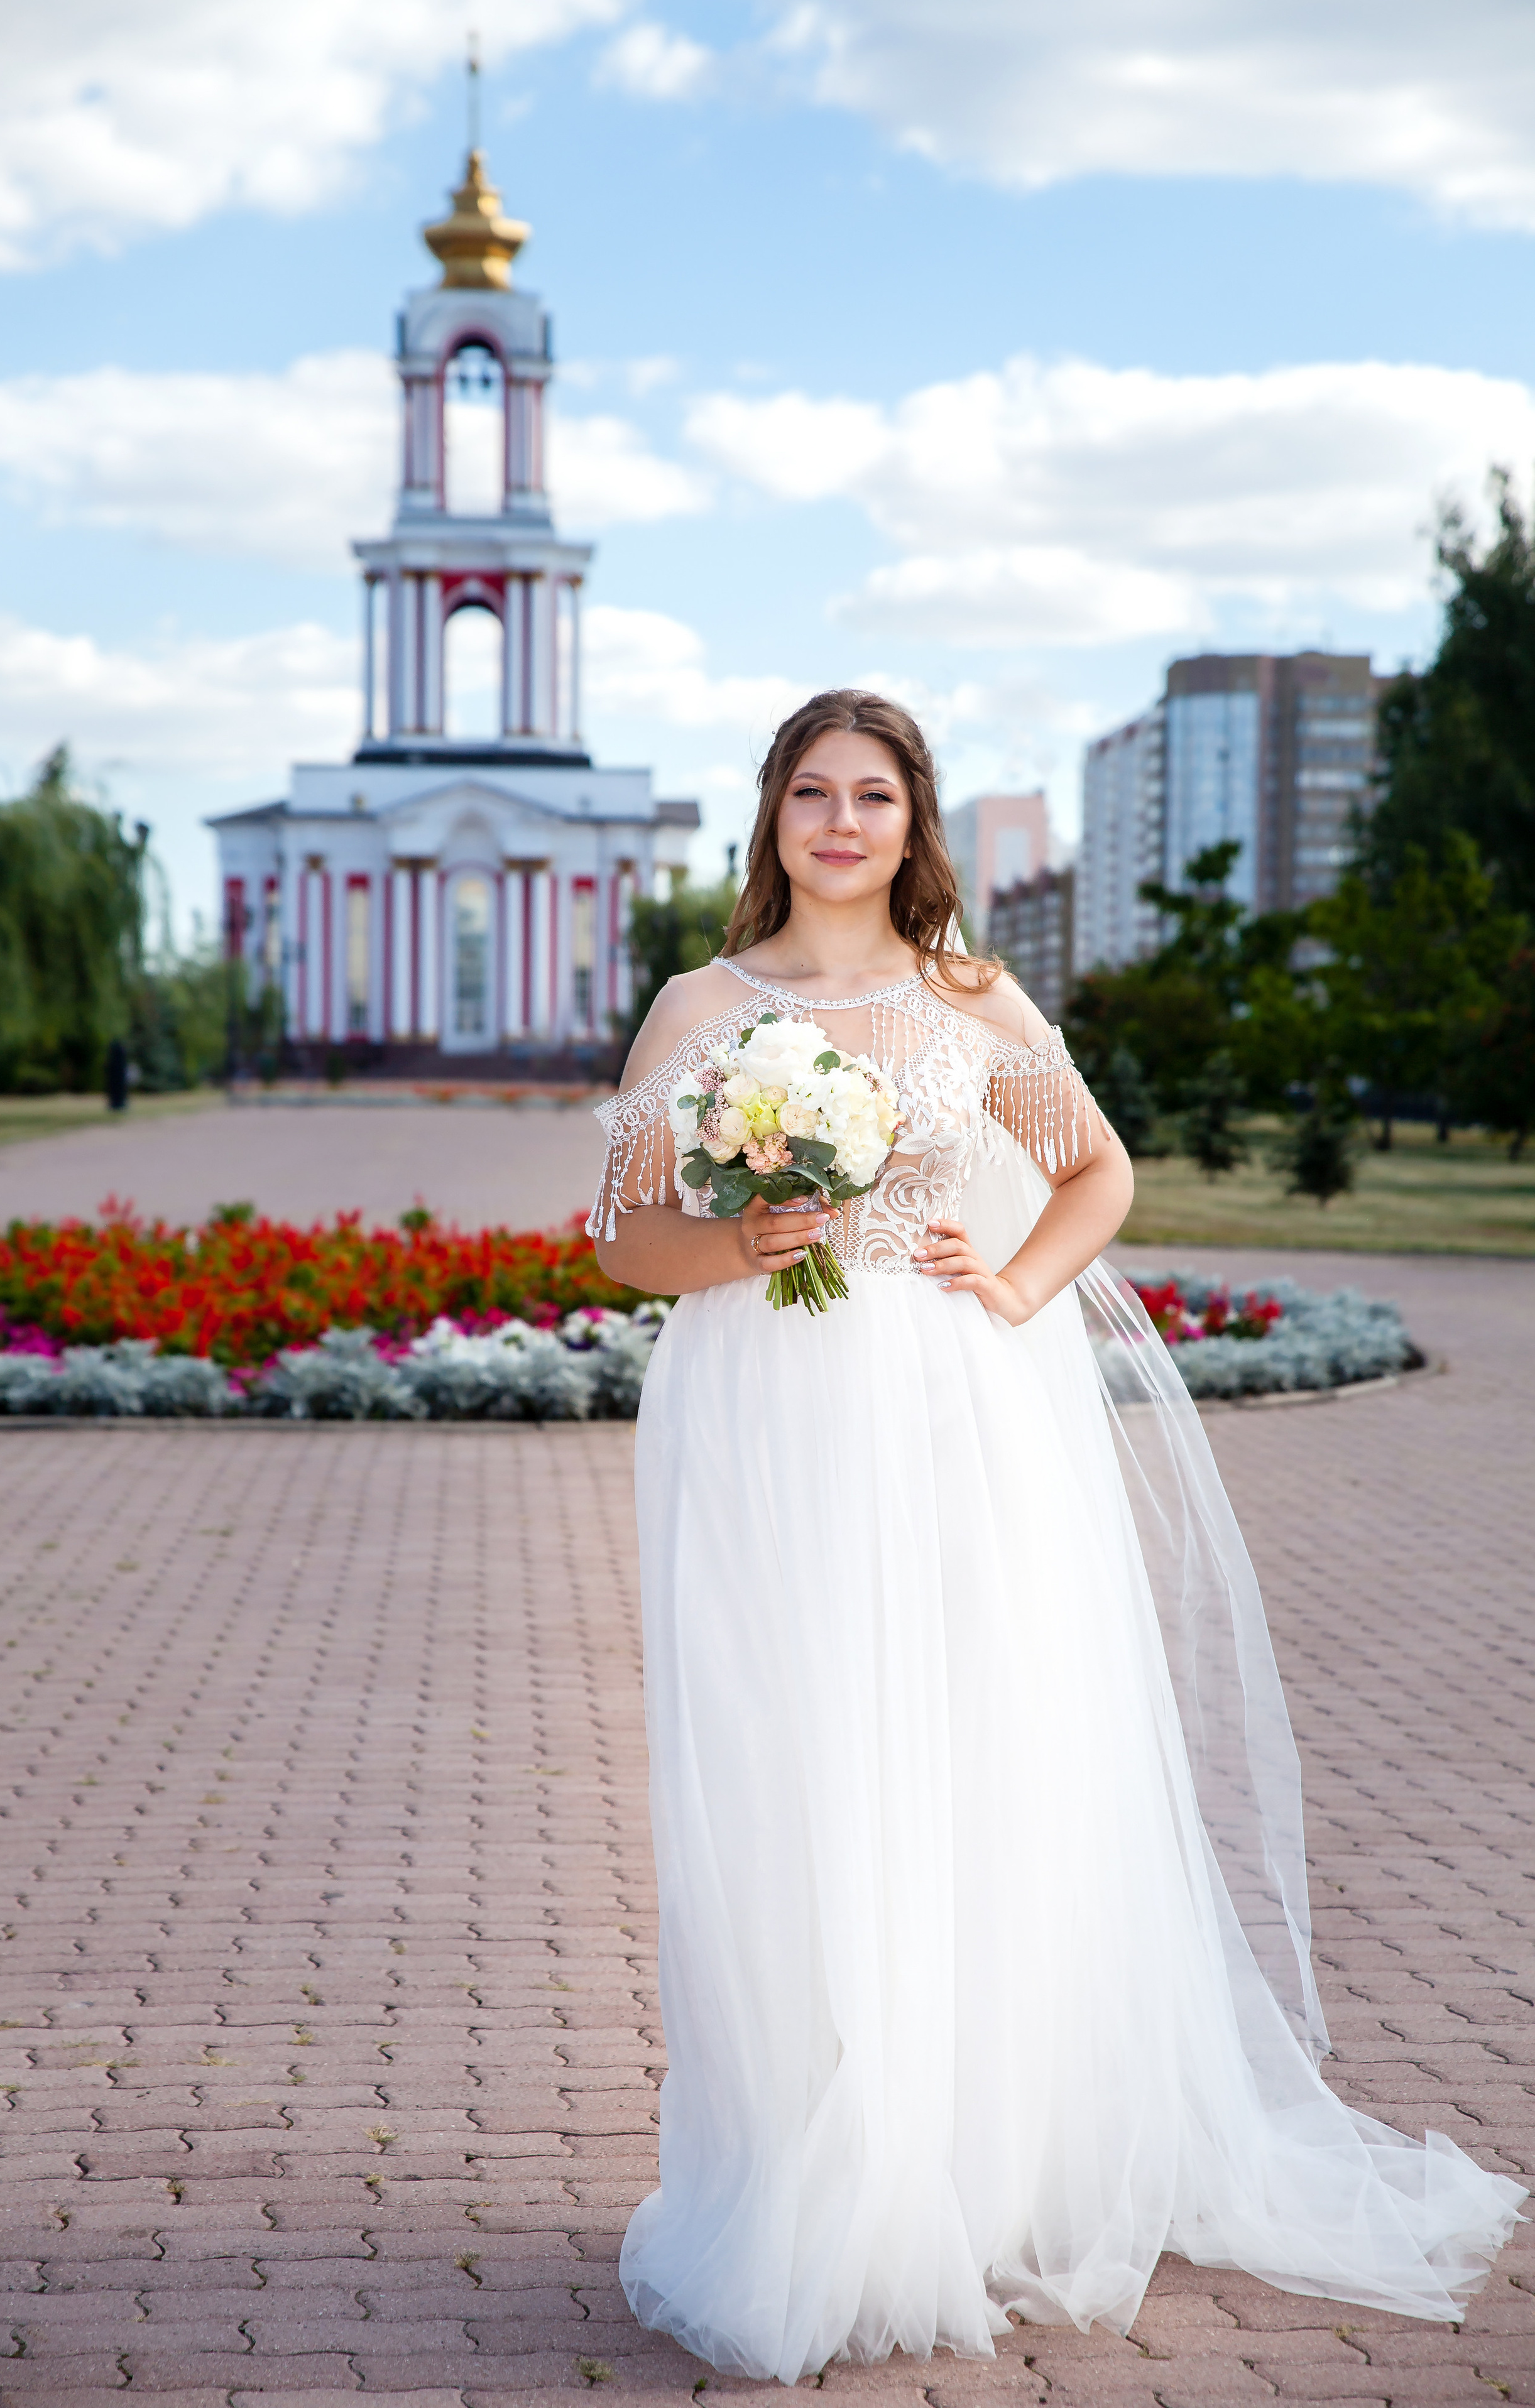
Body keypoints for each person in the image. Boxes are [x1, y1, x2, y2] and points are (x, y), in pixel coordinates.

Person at [587, 690, 1523, 2382]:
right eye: (815, 793)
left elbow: (1097, 1172)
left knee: (966, 1762)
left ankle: (974, 2178)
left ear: (914, 823)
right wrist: (743, 1242)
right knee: (792, 1771)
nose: (844, 823)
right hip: (760, 1423)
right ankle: (807, 2170)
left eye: (876, 795)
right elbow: (621, 1238)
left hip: (950, 1414)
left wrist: (1015, 1286)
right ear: (774, 816)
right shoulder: (702, 1008)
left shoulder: (968, 996)